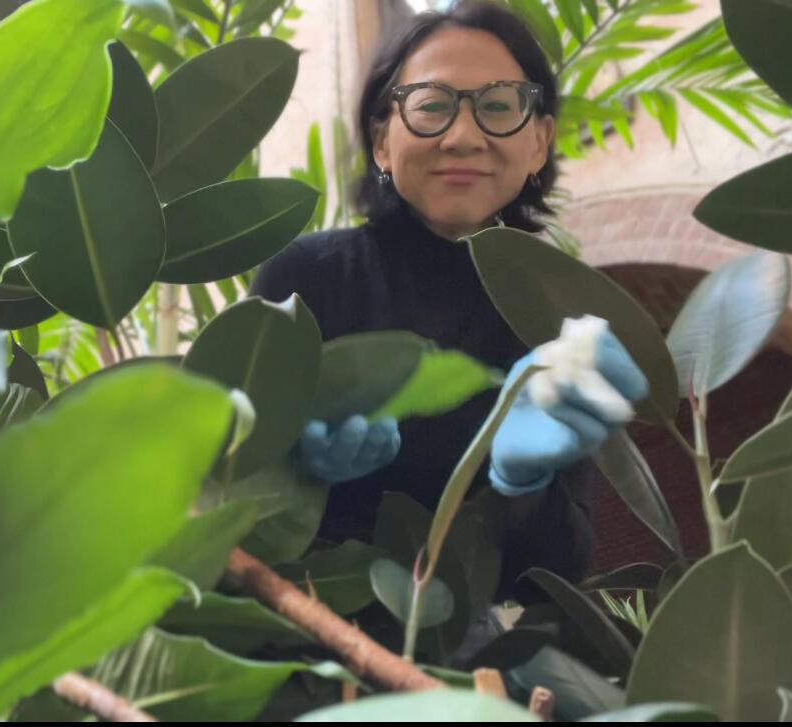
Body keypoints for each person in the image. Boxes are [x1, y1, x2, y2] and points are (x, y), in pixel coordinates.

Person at [250, 1, 648, 609]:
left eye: (498, 107)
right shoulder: (305, 278)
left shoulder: (558, 316)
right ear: (383, 139)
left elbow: (560, 570)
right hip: (310, 645)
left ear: (539, 141)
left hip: (486, 668)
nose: (464, 136)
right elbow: (227, 506)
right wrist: (294, 474)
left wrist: (523, 487)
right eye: (432, 106)